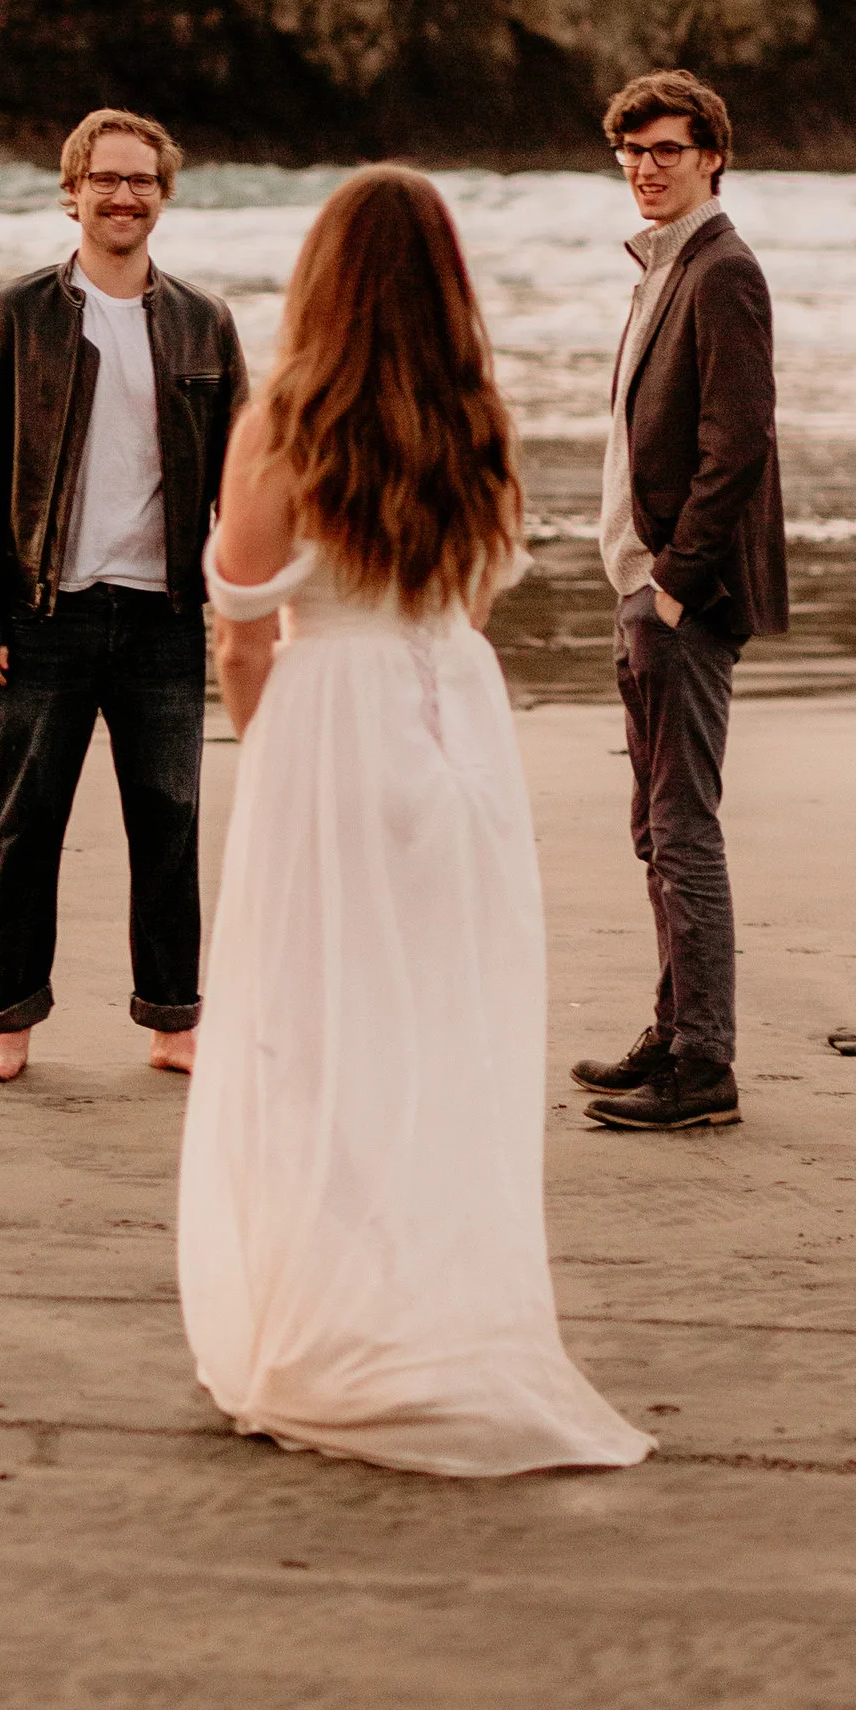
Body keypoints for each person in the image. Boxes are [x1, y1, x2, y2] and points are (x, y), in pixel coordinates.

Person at [177, 166, 651, 1478]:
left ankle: (325, 1328)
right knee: (438, 1037)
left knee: (313, 1039)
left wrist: (274, 740)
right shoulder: (473, 415)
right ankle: (424, 1318)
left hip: (331, 726)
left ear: (323, 276)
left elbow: (238, 613)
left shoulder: (283, 418)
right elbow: (475, 595)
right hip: (459, 734)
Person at [0, 108, 248, 1084]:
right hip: (44, 615)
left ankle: (172, 1019)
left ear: (164, 195)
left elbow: (244, 481)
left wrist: (243, 600)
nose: (125, 197)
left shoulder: (203, 321)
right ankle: (9, 1026)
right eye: (107, 179)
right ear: (70, 189)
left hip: (162, 616)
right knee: (25, 831)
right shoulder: (14, 314)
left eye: (143, 182)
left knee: (168, 826)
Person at [573, 69, 789, 1137]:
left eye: (665, 149)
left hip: (679, 596)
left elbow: (736, 443)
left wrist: (674, 583)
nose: (643, 168)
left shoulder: (721, 271)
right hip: (643, 581)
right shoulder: (661, 267)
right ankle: (673, 1029)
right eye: (631, 150)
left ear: (712, 155)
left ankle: (704, 1065)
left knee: (681, 827)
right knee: (652, 830)